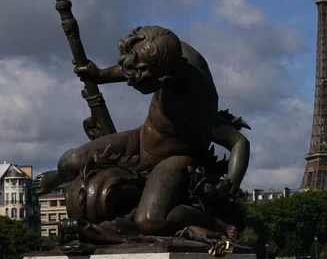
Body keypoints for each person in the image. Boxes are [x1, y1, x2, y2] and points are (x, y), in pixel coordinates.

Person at [33, 26, 250, 240]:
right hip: (141, 138)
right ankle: (60, 176)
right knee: (71, 160)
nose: (128, 82)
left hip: (174, 158)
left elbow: (238, 141)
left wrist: (232, 182)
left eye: (137, 81)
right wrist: (100, 75)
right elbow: (137, 66)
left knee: (149, 221)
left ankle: (209, 221)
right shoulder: (166, 50)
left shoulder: (195, 103)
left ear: (164, 79)